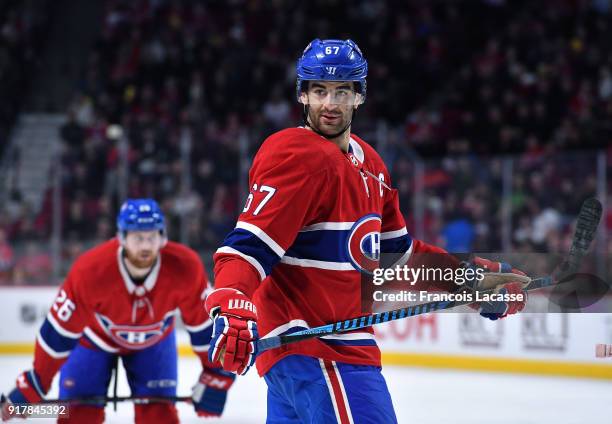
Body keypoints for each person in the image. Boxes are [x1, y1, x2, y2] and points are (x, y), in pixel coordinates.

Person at [205, 39, 527, 423]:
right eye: (320, 91)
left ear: (359, 97)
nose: (330, 103)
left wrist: (469, 282)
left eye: (343, 91)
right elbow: (247, 247)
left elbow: (400, 259)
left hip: (314, 357)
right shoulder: (298, 154)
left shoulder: (371, 165)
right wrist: (232, 302)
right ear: (303, 95)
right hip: (319, 350)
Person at [1, 199, 235, 423]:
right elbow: (58, 334)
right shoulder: (90, 271)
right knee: (78, 417)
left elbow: (205, 327)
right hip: (94, 340)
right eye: (137, 237)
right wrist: (35, 382)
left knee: (159, 417)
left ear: (162, 238)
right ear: (121, 237)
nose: (145, 246)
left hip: (154, 341)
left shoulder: (185, 266)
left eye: (151, 237)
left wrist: (217, 376)